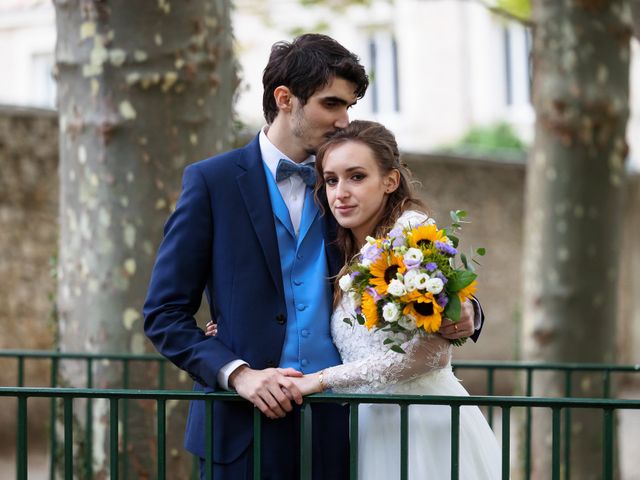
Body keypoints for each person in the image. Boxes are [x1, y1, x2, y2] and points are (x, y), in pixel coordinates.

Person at [144, 34, 480, 480]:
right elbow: (163, 312)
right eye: (332, 104)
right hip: (240, 427)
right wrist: (238, 372)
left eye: (350, 107)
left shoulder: (347, 189)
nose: (344, 121)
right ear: (285, 99)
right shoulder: (212, 182)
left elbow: (412, 261)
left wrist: (466, 310)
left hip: (344, 426)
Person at [287, 120, 502, 479]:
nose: (340, 192)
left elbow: (431, 353)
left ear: (390, 180)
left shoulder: (413, 237)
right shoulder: (340, 247)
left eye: (356, 176)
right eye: (331, 179)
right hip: (369, 428)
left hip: (424, 426)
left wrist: (321, 380)